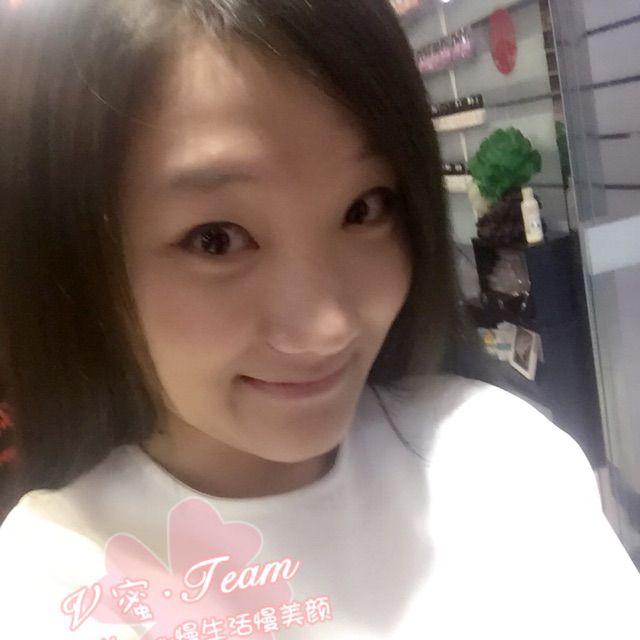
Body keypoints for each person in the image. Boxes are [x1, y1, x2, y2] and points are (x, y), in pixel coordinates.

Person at [0, 0, 638, 638]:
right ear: (76, 260)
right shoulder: (52, 579)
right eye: (215, 239)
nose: (327, 327)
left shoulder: (496, 456)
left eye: (365, 209)